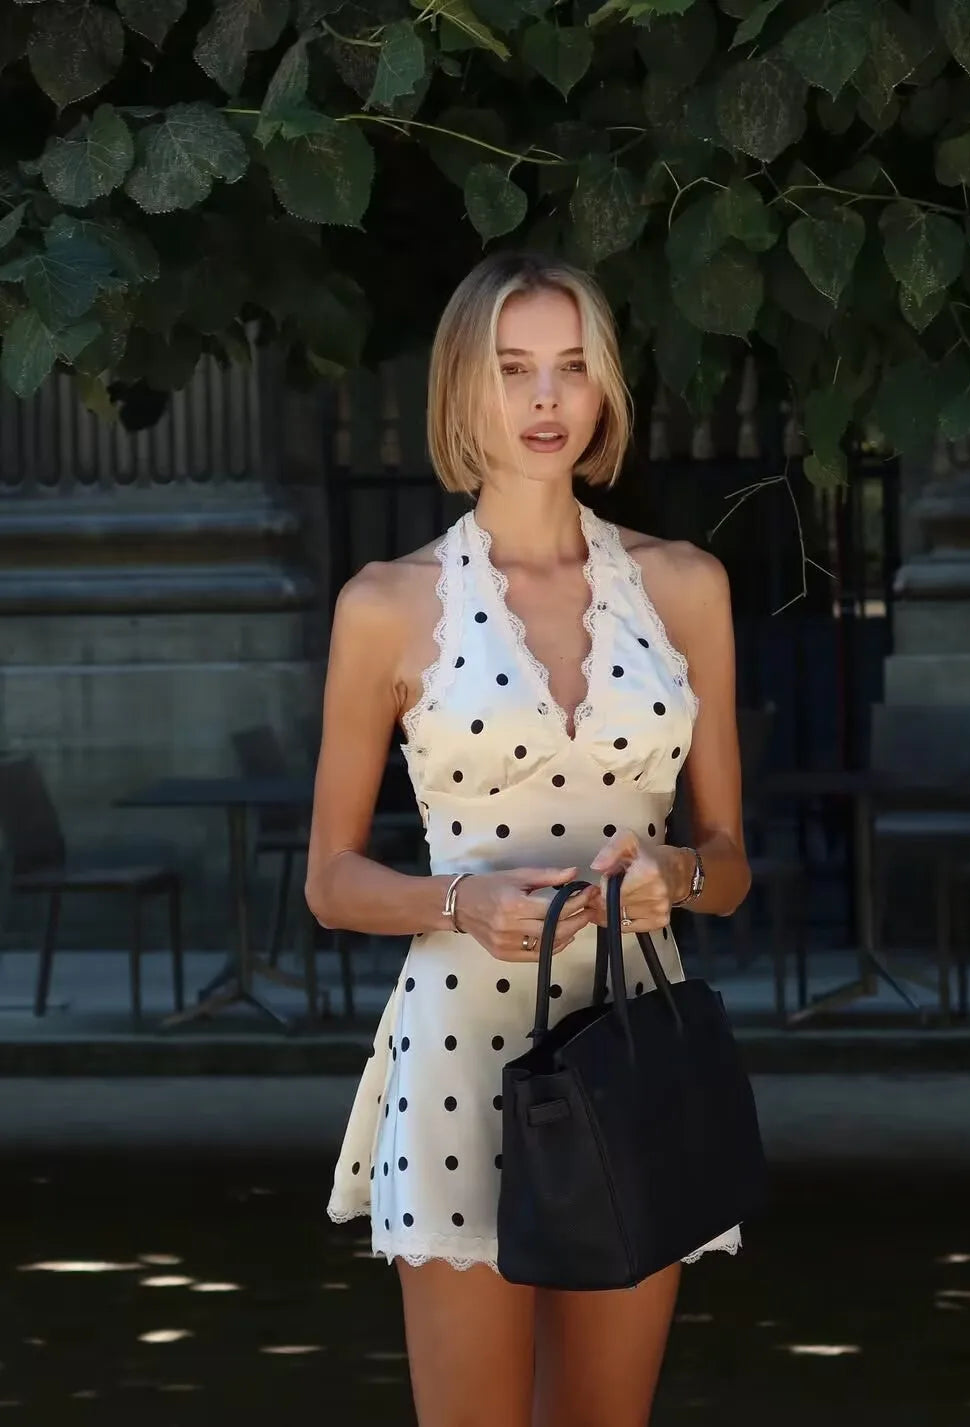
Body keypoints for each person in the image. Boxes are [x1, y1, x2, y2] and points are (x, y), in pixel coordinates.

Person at [305, 251, 752, 1427]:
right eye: (513, 369)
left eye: (572, 367)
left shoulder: (684, 586)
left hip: (634, 1041)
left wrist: (675, 873)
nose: (547, 398)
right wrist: (459, 901)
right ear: (463, 386)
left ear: (604, 388)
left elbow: (730, 866)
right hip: (459, 1052)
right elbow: (331, 880)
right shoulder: (387, 603)